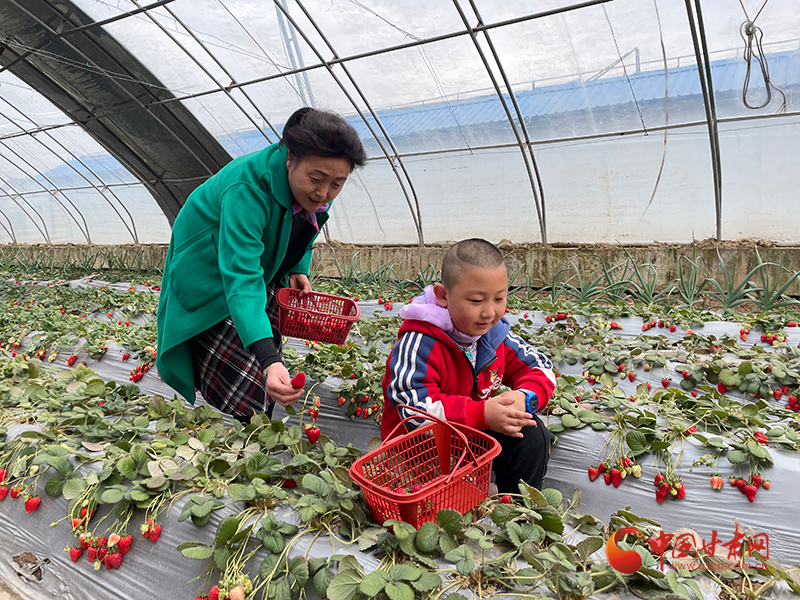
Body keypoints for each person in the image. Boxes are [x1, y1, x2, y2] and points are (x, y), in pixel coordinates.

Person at [156, 107, 366, 421]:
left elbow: (307, 225)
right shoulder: (248, 188)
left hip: (256, 263)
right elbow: (241, 279)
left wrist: (298, 268)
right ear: (290, 157)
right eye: (316, 179)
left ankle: (257, 419)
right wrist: (268, 361)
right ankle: (248, 428)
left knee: (263, 346)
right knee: (243, 366)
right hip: (210, 269)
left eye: (337, 183)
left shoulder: (320, 188)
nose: (324, 192)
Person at [381, 238, 556, 492]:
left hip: (467, 435)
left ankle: (517, 513)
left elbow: (541, 367)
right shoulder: (420, 342)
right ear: (443, 295)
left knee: (530, 435)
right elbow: (410, 410)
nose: (489, 312)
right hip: (418, 452)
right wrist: (481, 414)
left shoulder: (494, 334)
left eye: (499, 299)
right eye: (476, 301)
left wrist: (523, 399)